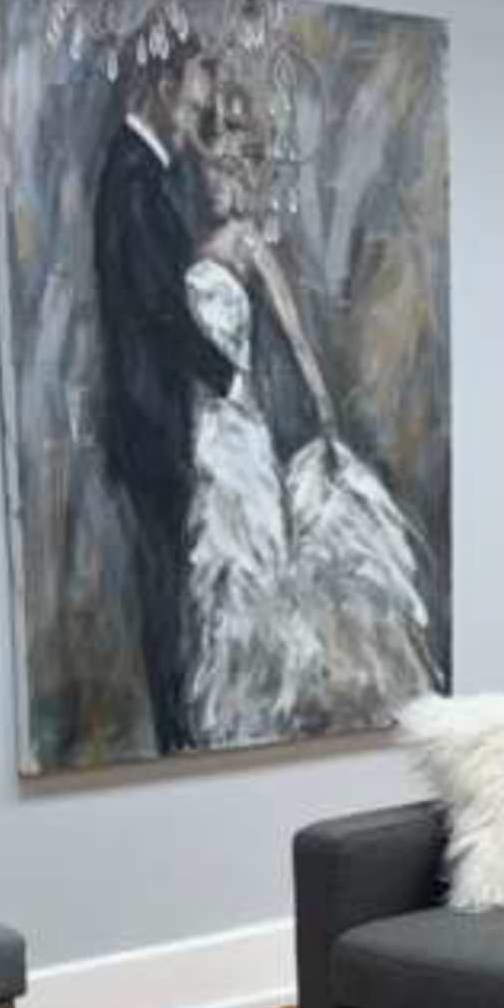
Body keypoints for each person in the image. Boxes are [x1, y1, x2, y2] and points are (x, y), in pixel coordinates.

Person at [174, 81, 434, 751]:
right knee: (233, 571)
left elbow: (291, 344)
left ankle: (295, 699)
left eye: (238, 162)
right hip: (220, 430)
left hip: (247, 428)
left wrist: (318, 421)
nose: (227, 176)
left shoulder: (249, 248)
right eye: (217, 163)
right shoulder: (205, 250)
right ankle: (246, 716)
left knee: (276, 569)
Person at [91, 47, 248, 755]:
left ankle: (186, 728)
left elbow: (167, 279)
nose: (192, 128)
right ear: (158, 89)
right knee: (165, 583)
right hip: (150, 417)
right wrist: (228, 377)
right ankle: (177, 737)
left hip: (162, 415)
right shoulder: (131, 176)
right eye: (188, 108)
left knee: (179, 580)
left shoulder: (150, 176)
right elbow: (156, 304)